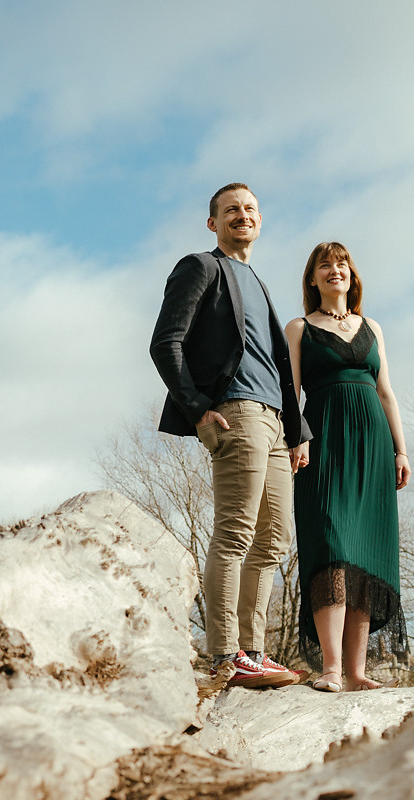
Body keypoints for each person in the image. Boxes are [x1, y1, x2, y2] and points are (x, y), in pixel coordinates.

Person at [150, 183, 312, 688]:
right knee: (236, 531)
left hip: (276, 423)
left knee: (276, 538)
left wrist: (298, 429)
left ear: (260, 221)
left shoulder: (258, 282)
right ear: (212, 223)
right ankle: (225, 654)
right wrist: (198, 409)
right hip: (235, 413)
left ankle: (254, 650)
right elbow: (165, 343)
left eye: (250, 209)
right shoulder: (201, 267)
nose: (242, 216)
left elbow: (279, 366)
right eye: (230, 210)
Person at [284, 241, 411, 692]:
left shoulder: (372, 327)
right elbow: (290, 393)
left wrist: (400, 450)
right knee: (331, 545)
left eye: (342, 264)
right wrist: (296, 438)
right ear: (313, 279)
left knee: (365, 556)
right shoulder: (299, 328)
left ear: (352, 276)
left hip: (373, 447)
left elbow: (386, 393)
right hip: (323, 445)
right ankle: (332, 670)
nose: (334, 270)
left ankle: (357, 673)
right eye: (325, 265)